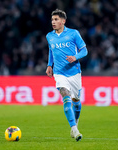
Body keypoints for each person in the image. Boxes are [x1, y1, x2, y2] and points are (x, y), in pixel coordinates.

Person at [45, 9, 88, 141]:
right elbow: (51, 51)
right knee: (65, 95)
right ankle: (74, 130)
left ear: (63, 21)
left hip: (74, 72)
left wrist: (75, 57)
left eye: (56, 19)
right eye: (52, 20)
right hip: (59, 73)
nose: (53, 22)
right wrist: (49, 65)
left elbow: (84, 50)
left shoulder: (73, 33)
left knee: (76, 101)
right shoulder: (49, 36)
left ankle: (76, 121)